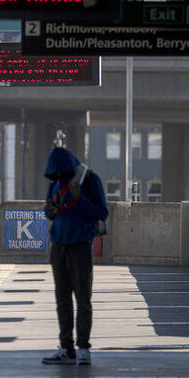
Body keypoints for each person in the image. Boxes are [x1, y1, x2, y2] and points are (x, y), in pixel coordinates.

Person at [41, 147, 108, 366]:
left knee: (82, 297)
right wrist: (49, 209)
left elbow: (102, 212)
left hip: (80, 244)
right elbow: (50, 209)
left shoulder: (89, 180)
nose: (59, 178)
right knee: (62, 298)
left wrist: (80, 199)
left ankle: (84, 348)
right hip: (58, 245)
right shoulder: (55, 181)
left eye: (62, 174)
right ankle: (66, 348)